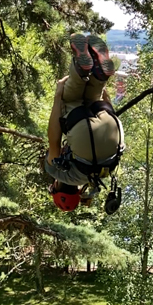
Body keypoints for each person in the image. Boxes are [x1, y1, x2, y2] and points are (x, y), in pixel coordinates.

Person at [45, 33, 125, 212]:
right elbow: (54, 138)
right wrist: (58, 96)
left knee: (92, 97)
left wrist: (105, 97)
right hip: (84, 135)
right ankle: (80, 71)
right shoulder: (56, 172)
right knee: (70, 100)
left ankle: (99, 78)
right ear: (56, 187)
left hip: (112, 130)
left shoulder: (93, 177)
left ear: (79, 191)